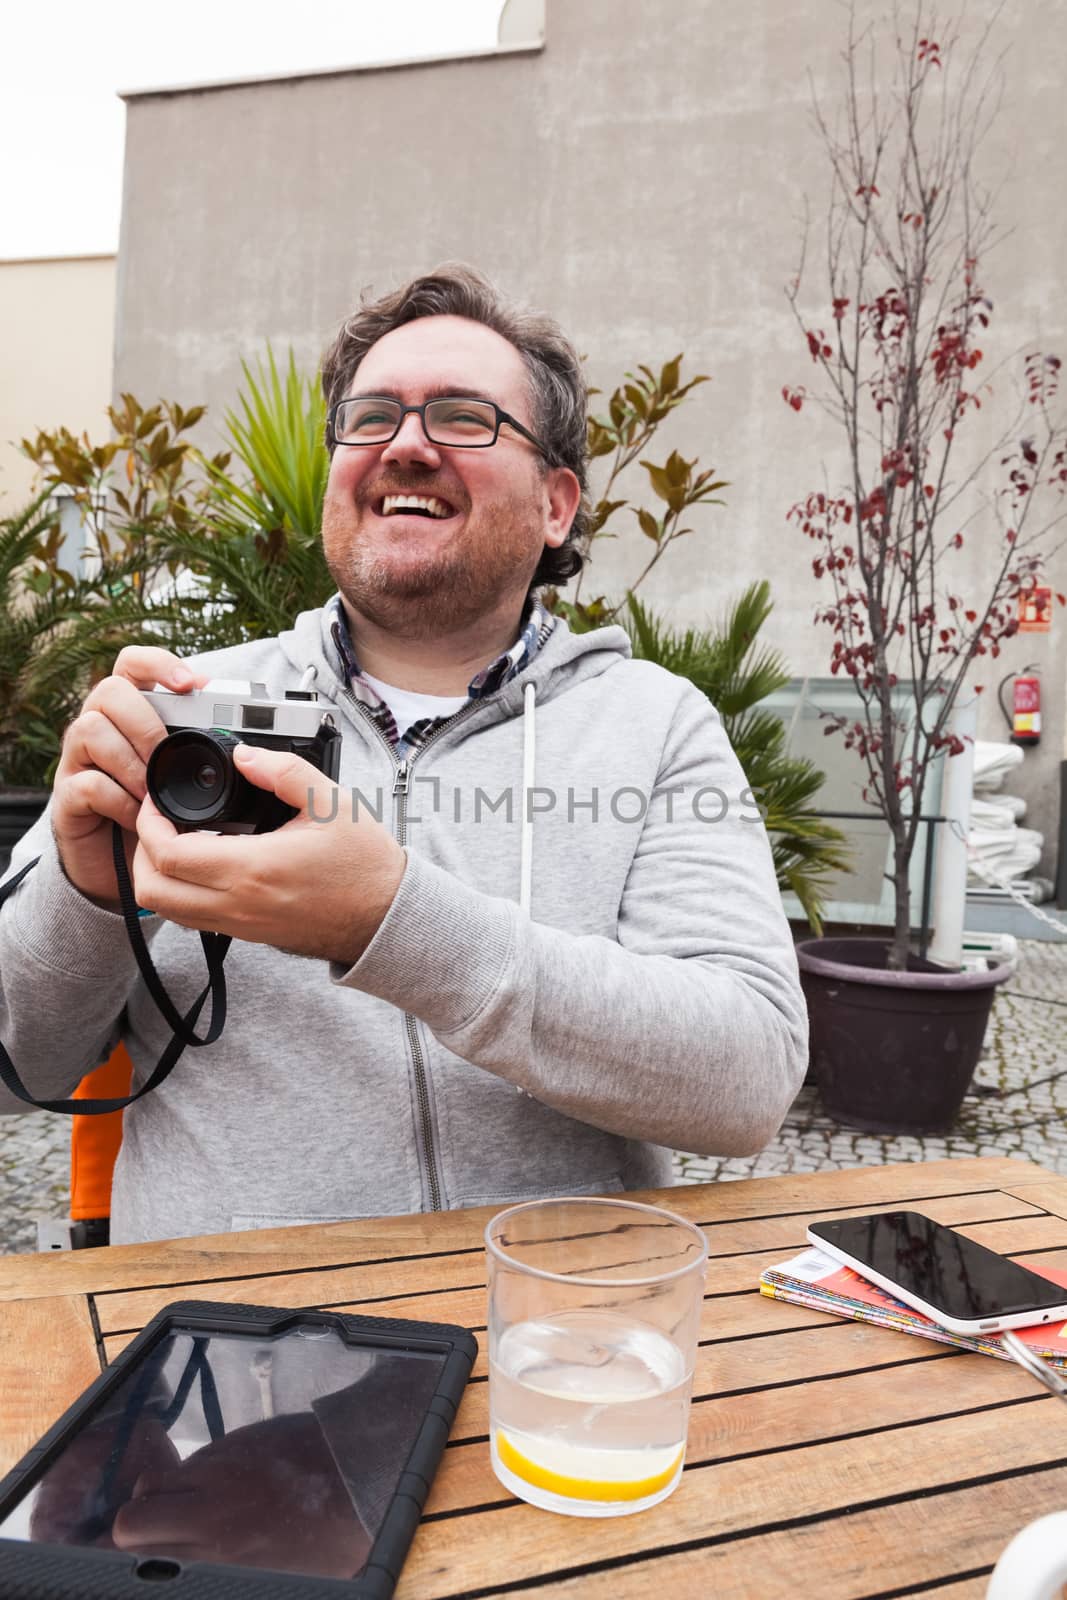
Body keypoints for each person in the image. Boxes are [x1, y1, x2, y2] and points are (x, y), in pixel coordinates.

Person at [0, 264, 807, 1245]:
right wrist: (83, 892)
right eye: (371, 416)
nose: (407, 445)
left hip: (553, 1343)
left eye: (463, 417)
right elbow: (15, 1068)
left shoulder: (654, 724)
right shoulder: (179, 714)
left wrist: (392, 919)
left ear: (556, 505)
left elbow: (746, 1079)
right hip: (236, 1346)